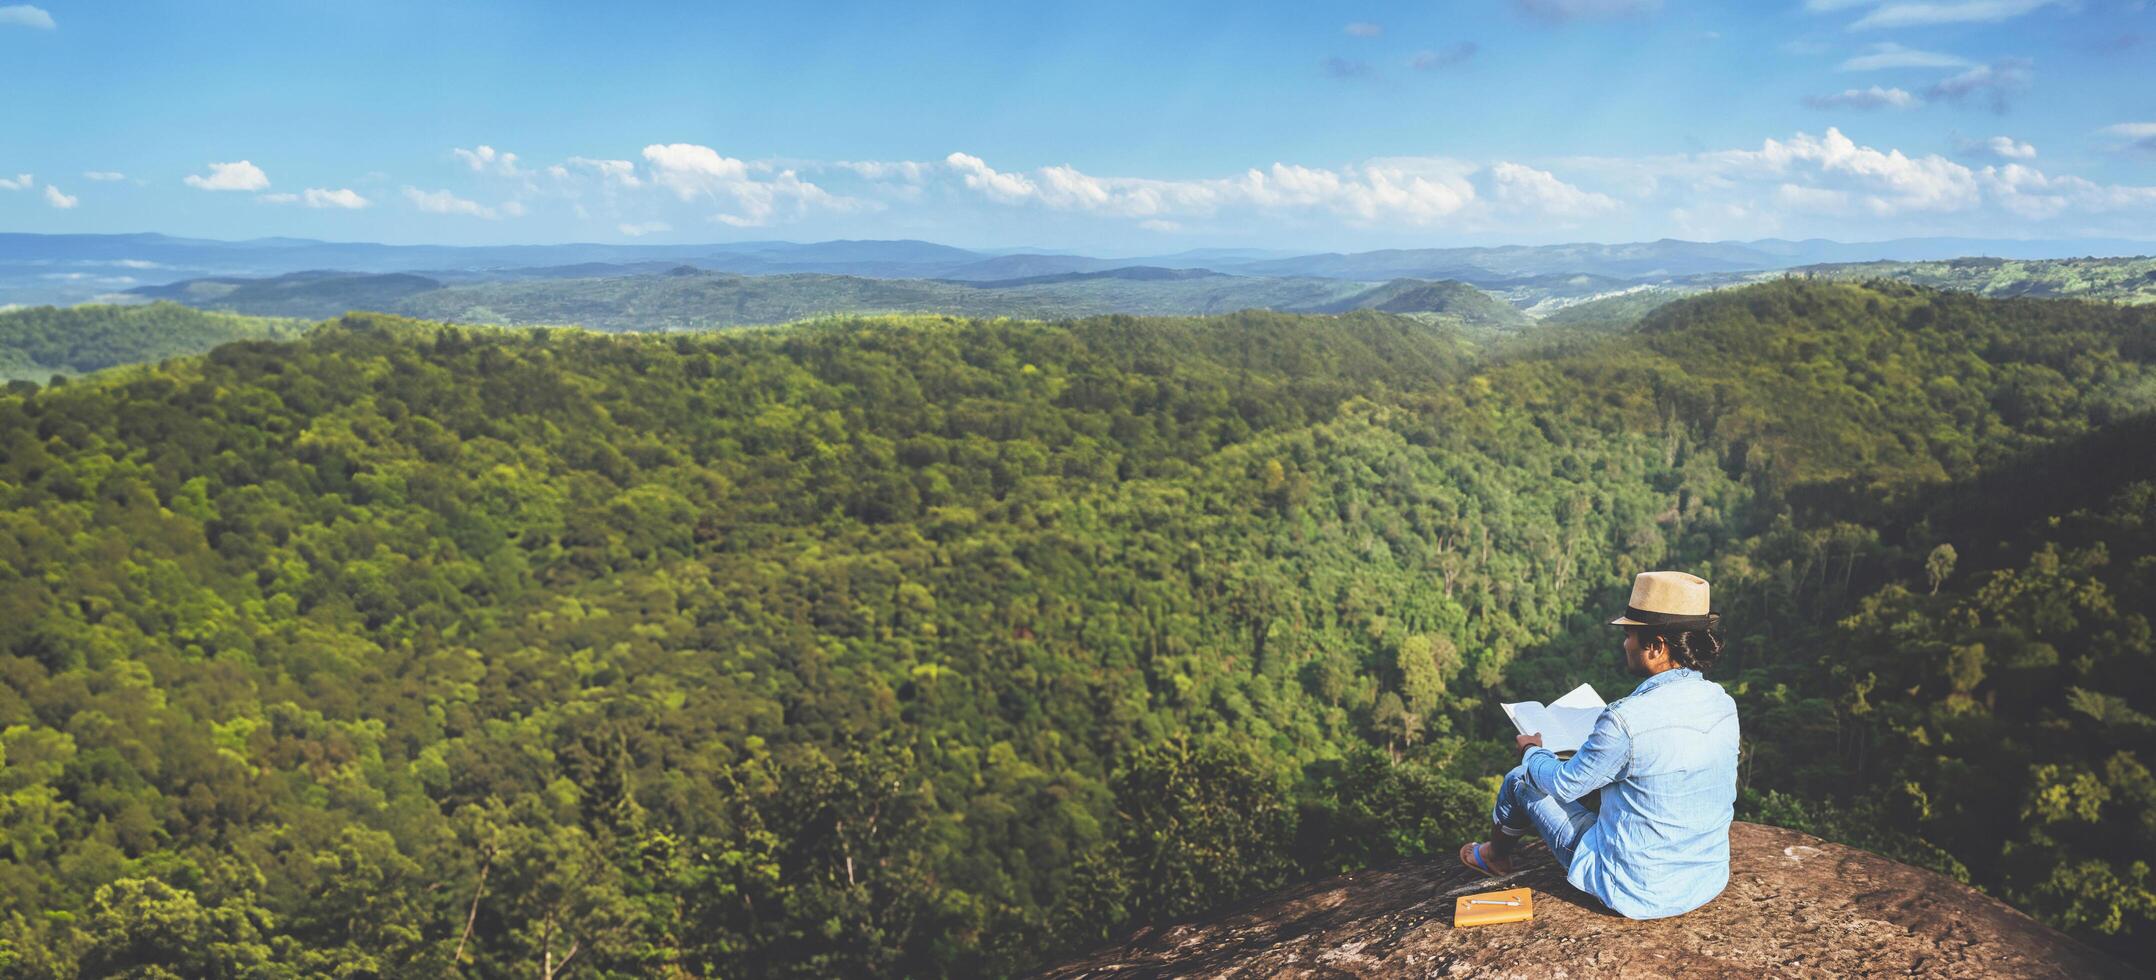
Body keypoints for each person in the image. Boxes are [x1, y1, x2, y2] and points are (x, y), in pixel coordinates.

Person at [1458, 570, 1740, 919]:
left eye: (1630, 635)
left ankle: (1494, 856)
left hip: (1634, 889)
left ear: (1655, 647)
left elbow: (1564, 784)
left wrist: (1533, 750)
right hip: (1704, 878)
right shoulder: (1722, 702)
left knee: (1521, 778)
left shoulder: (1626, 719)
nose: (1625, 644)